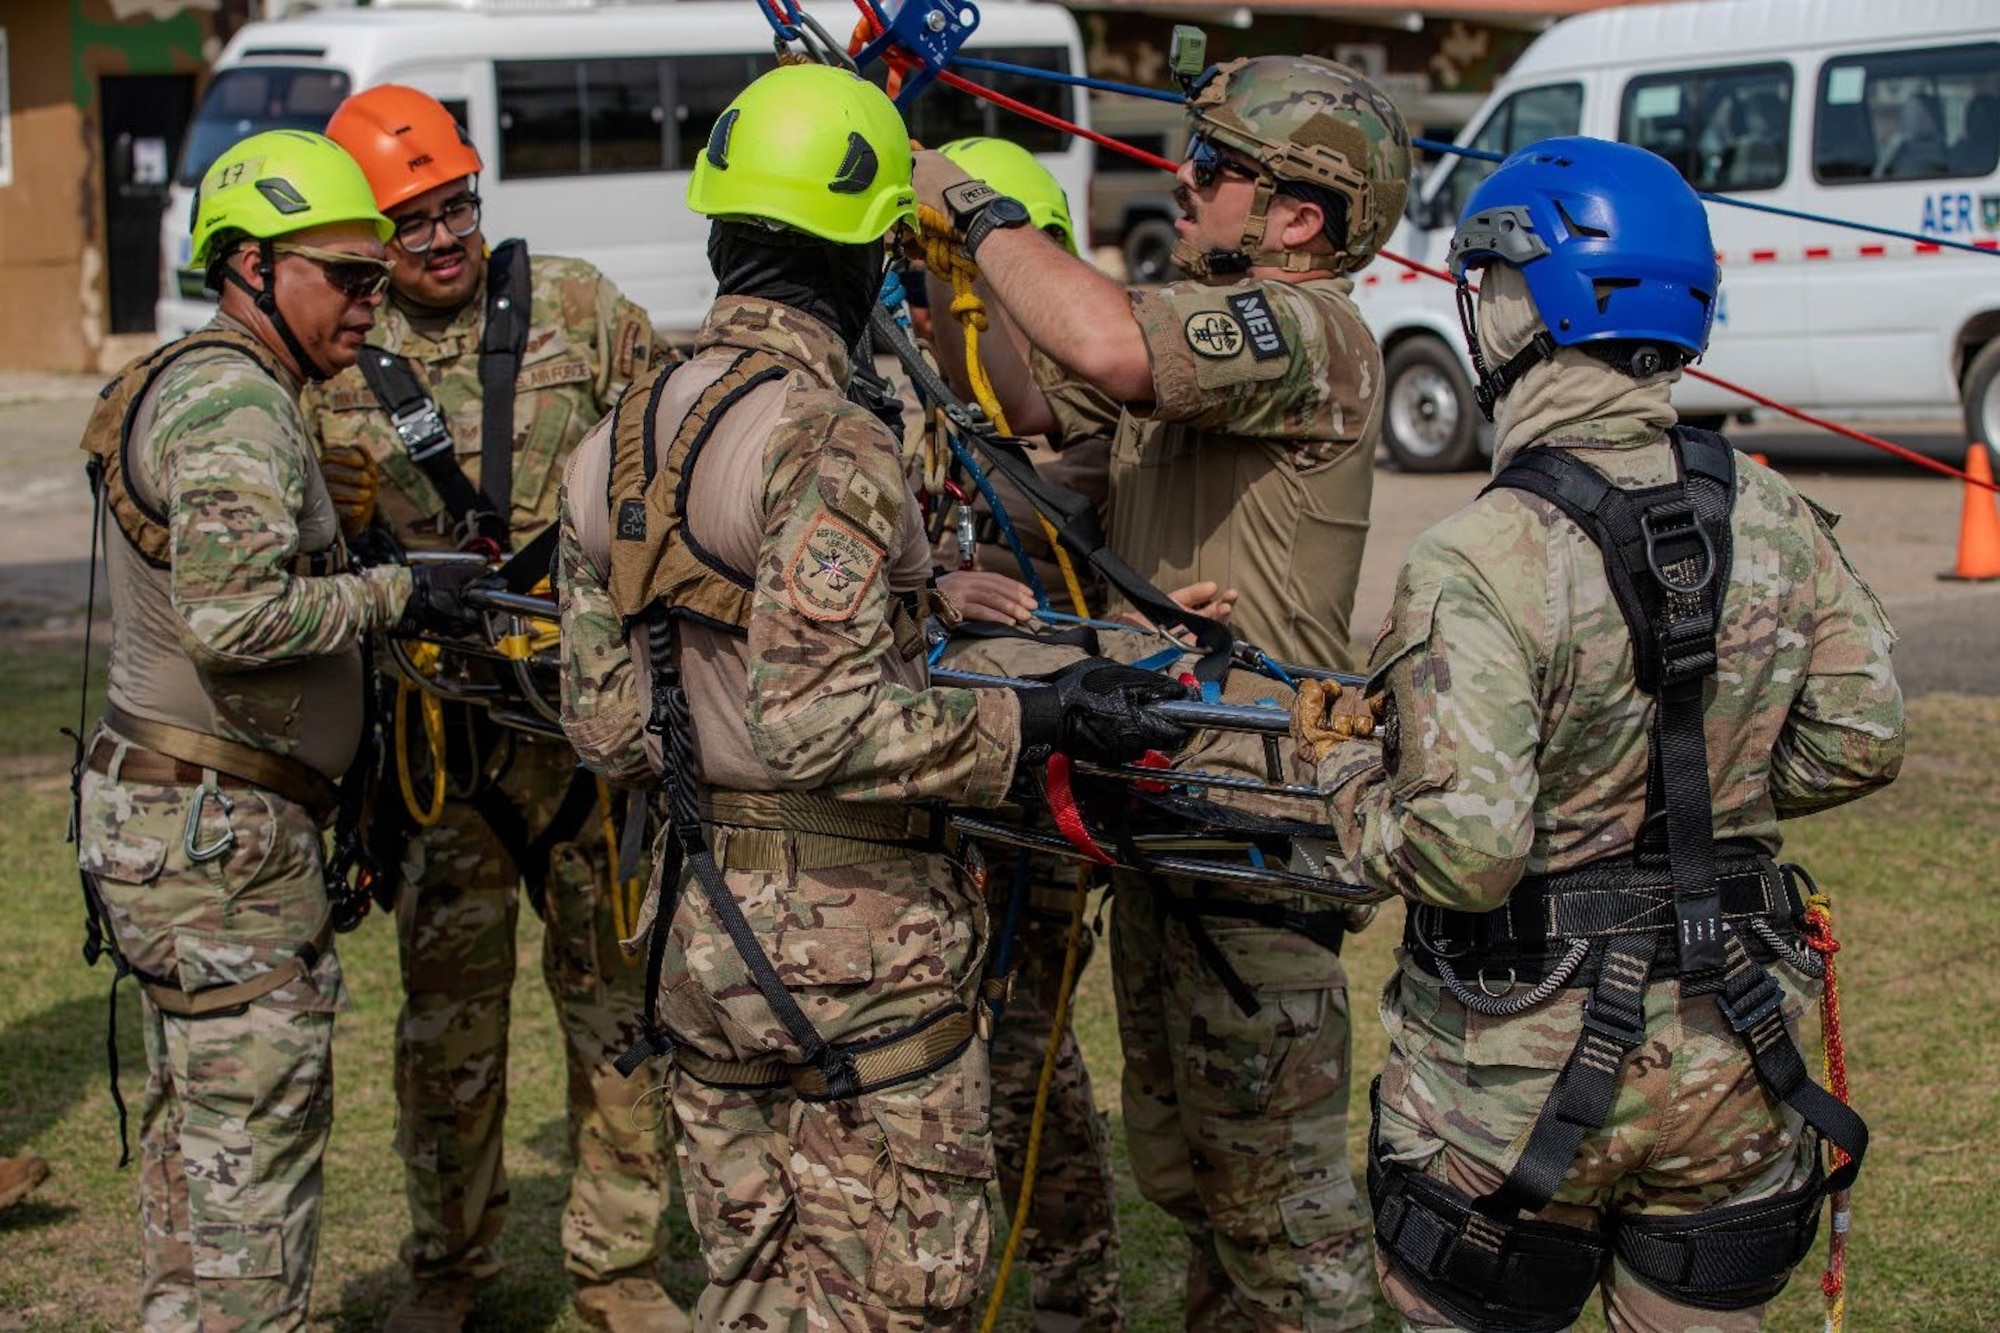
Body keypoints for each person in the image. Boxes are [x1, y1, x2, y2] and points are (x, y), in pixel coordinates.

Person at [554, 63, 1188, 1330]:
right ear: (862, 256)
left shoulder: (618, 434)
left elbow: (605, 723)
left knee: (751, 1289)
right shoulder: (822, 436)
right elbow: (818, 721)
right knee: (900, 1296)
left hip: (696, 937)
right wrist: (1042, 724)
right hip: (857, 951)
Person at [1295, 137, 1903, 1332]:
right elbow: (1857, 736)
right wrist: (1701, 799)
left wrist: (1342, 775)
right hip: (1737, 1065)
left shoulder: (1476, 557)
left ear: (1532, 301)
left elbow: (1464, 852)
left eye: (1486, 284)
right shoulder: (1773, 509)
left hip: (1507, 1088)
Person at [913, 56, 1411, 1330]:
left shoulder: (1308, 331)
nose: (1179, 185)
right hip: (1165, 812)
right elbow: (1035, 395)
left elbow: (1099, 343)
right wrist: (947, 269)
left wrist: (976, 204)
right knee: (1195, 1178)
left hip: (1250, 841)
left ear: (1298, 218)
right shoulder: (1207, 328)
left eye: (1214, 169)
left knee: (1285, 1221)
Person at [74, 128, 480, 1332]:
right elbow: (234, 616)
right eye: (347, 277)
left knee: (198, 1137)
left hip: (184, 828)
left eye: (375, 275)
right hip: (219, 844)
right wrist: (404, 593)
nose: (373, 299)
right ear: (252, 266)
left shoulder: (194, 379)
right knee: (252, 1147)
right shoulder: (235, 403)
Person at [301, 85, 683, 1333]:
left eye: (455, 206)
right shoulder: (330, 350)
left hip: (582, 740)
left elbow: (673, 441)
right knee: (447, 1032)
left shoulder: (577, 306)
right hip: (434, 751)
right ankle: (447, 1270)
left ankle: (617, 1272)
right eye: (407, 225)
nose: (441, 240)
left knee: (617, 1016)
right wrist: (332, 509)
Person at [926, 134, 1126, 1333]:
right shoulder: (907, 406)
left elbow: (1055, 514)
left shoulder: (1087, 439)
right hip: (932, 788)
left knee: (1022, 1068)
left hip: (1029, 804)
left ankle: (1068, 1298)